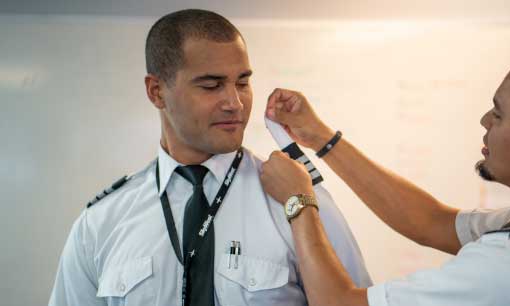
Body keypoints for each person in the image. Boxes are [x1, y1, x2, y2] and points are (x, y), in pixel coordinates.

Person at [48, 9, 372, 306]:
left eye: (242, 82)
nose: (235, 103)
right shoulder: (100, 224)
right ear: (156, 92)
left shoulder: (300, 204)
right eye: (211, 85)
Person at [260, 40, 510, 306]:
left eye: (498, 114)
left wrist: (299, 203)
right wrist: (322, 138)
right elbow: (430, 222)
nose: (484, 122)